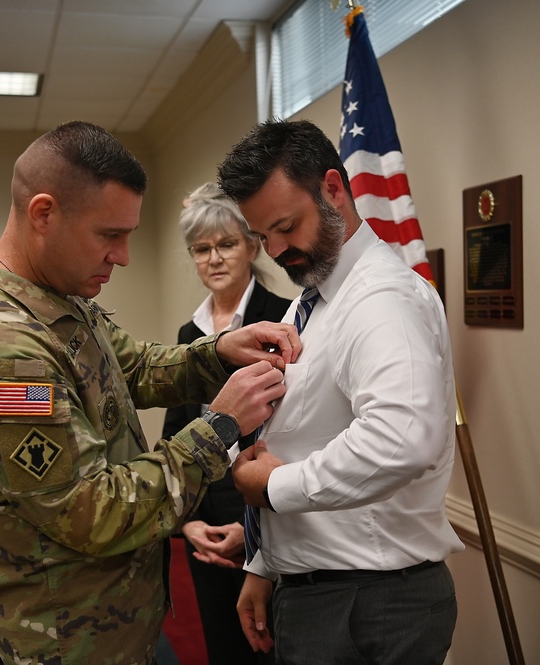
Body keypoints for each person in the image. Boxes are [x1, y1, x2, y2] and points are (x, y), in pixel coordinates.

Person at [0, 120, 301, 665]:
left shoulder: (56, 299)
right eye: (110, 235)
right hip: (69, 639)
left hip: (114, 623)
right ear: (43, 214)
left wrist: (218, 352)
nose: (124, 256)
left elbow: (135, 366)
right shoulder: (3, 351)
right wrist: (219, 426)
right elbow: (92, 511)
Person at [218, 119, 464, 665]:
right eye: (262, 236)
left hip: (369, 604)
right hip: (325, 589)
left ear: (333, 188)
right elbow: (306, 432)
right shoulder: (315, 296)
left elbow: (401, 440)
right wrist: (265, 563)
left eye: (286, 226)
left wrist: (276, 486)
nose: (276, 250)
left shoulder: (381, 300)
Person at [162, 183, 290, 665]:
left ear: (251, 246)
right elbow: (177, 430)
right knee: (222, 649)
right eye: (201, 249)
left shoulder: (281, 317)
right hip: (205, 514)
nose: (214, 259)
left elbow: (293, 434)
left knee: (269, 648)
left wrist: (249, 527)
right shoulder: (189, 334)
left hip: (265, 512)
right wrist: (188, 522)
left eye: (226, 244)